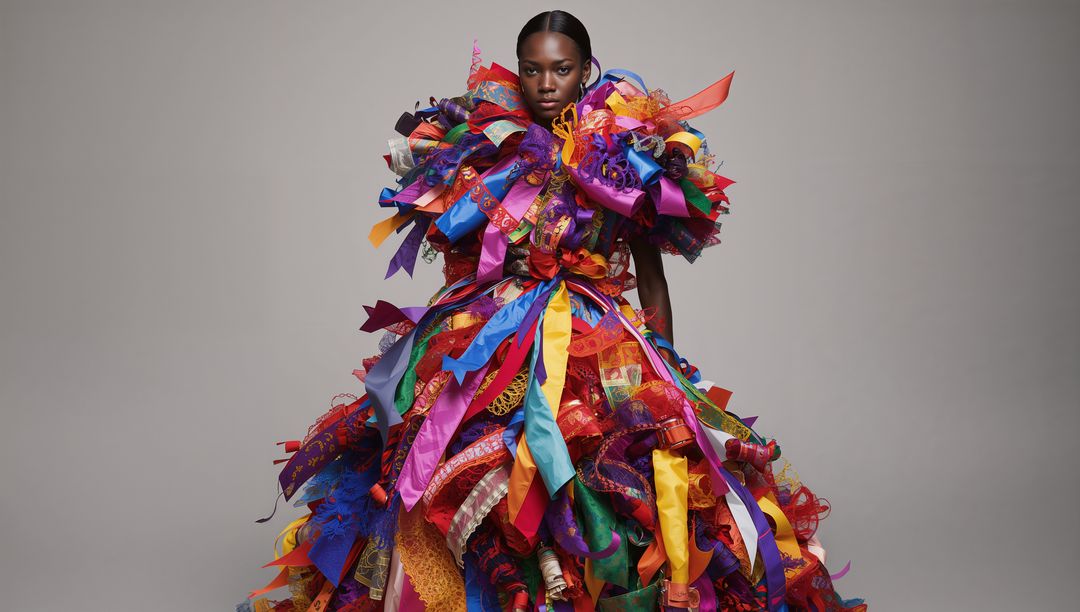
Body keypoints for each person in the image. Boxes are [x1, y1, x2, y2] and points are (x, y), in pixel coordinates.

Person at [241, 10, 866, 612]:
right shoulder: (490, 147)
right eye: (533, 70)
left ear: (585, 70)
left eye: (561, 70)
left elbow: (651, 279)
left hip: (595, 331)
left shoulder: (626, 160)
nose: (546, 83)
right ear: (517, 71)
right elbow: (462, 251)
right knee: (449, 447)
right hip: (494, 327)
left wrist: (668, 370)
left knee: (613, 458)